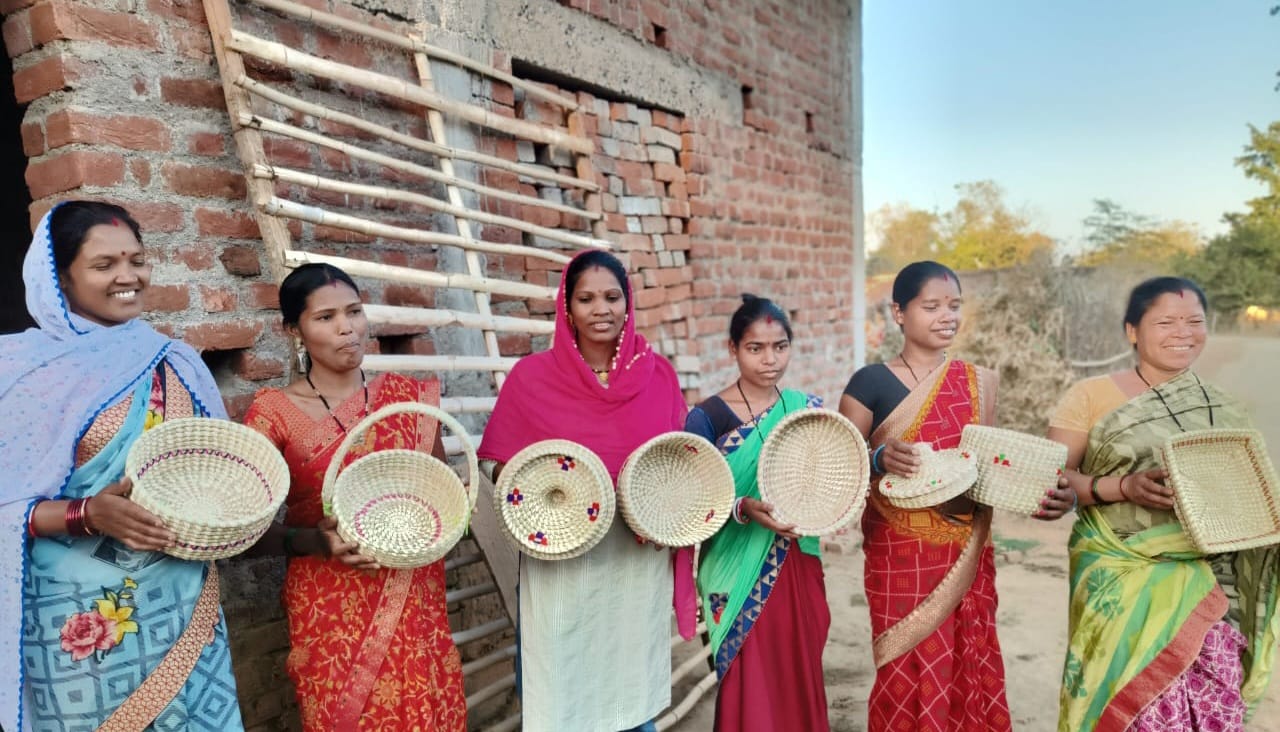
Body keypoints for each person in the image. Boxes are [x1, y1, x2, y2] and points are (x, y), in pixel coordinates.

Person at [1, 201, 244, 731]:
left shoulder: (174, 360)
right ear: (59, 277)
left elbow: (224, 469)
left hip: (182, 597)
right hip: (76, 622)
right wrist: (87, 514)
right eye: (104, 264)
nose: (128, 276)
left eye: (137, 259)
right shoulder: (18, 371)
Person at [839, 260, 1074, 732]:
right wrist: (881, 457)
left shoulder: (976, 382)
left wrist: (1044, 490)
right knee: (904, 663)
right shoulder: (869, 382)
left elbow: (981, 467)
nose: (947, 315)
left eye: (954, 305)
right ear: (899, 313)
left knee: (969, 656)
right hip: (899, 554)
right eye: (932, 306)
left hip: (965, 546)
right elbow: (840, 465)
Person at [241, 263, 465, 731]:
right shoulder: (274, 414)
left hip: (413, 594)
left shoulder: (408, 401)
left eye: (354, 312)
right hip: (329, 603)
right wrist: (313, 541)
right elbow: (245, 529)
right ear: (293, 331)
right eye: (325, 318)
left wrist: (450, 512)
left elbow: (444, 495)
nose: (347, 328)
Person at [1049, 277, 1279, 731]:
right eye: (1166, 321)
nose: (1183, 332)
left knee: (1210, 698)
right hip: (1121, 571)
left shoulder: (1224, 408)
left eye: (1195, 321)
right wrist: (1122, 487)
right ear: (1132, 330)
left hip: (1212, 578)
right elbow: (1053, 480)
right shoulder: (1091, 396)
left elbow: (1249, 496)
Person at [478, 249, 692, 732]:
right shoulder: (532, 379)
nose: (602, 309)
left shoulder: (657, 377)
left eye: (612, 297)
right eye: (586, 298)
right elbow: (500, 466)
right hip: (562, 560)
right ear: (566, 308)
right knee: (560, 681)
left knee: (628, 680)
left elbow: (680, 461)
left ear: (628, 302)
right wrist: (553, 498)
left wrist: (663, 513)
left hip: (634, 556)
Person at [684, 294, 830, 731]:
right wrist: (741, 506)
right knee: (748, 678)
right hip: (733, 566)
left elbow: (832, 473)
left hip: (794, 560)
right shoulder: (705, 418)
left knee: (795, 671)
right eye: (755, 348)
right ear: (732, 349)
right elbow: (689, 501)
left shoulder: (805, 410)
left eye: (780, 346)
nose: (770, 359)